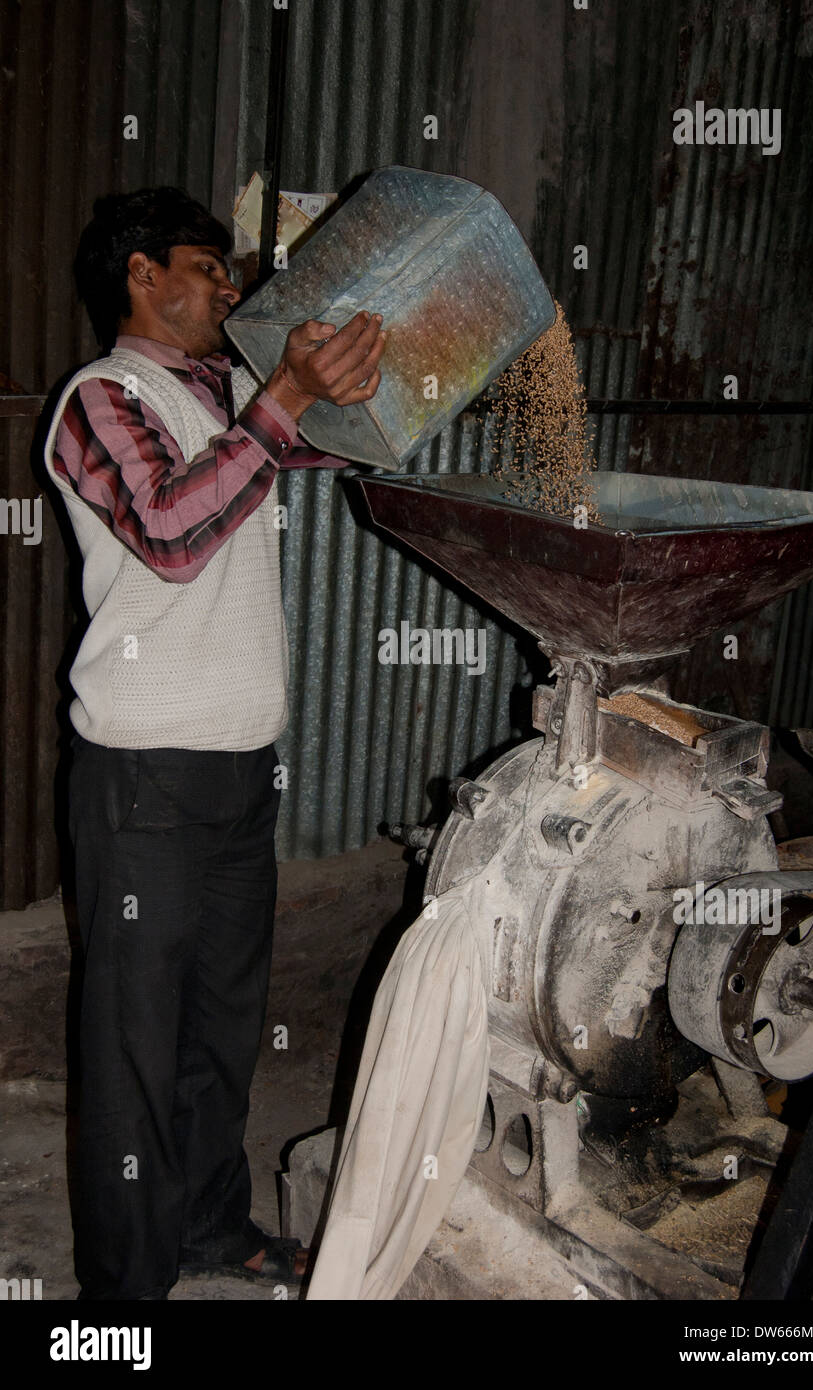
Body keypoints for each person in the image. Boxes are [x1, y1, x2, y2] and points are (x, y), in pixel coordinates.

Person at [44, 186, 386, 1301]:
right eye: (209, 265)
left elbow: (339, 450)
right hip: (143, 781)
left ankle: (208, 1226)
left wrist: (350, 383)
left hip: (241, 772)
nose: (230, 287)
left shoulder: (229, 394)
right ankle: (123, 1304)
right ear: (142, 275)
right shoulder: (103, 398)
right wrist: (281, 394)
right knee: (133, 1056)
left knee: (221, 1033)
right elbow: (173, 531)